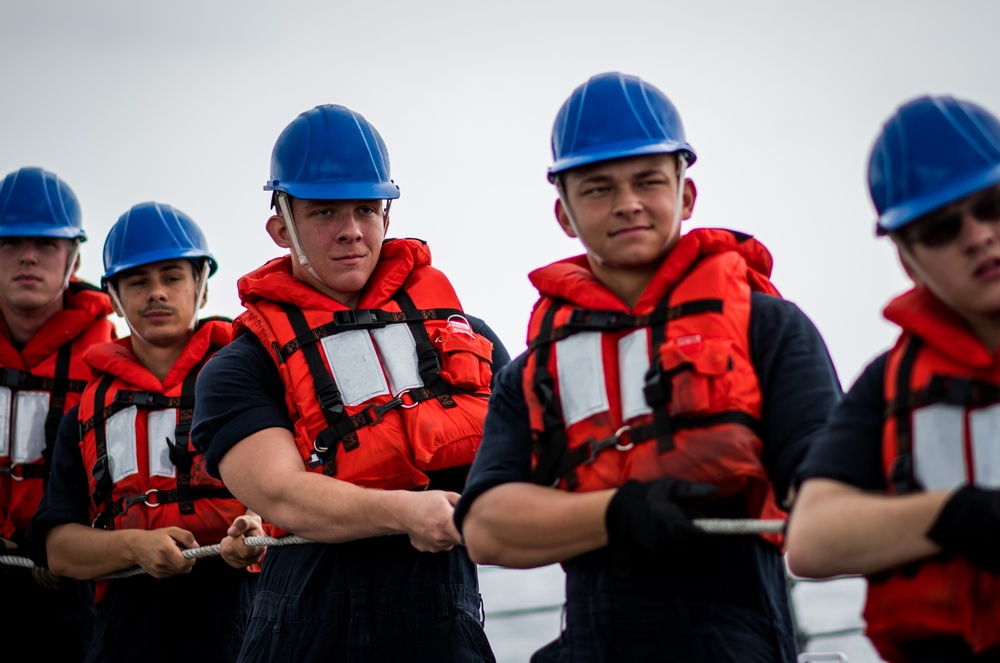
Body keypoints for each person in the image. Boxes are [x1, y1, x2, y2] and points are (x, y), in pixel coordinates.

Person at [455, 72, 842, 662]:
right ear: (565, 213)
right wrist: (620, 511)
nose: (628, 203)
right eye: (598, 188)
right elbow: (485, 529)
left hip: (741, 637)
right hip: (594, 639)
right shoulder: (533, 371)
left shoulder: (770, 328)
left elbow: (827, 496)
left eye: (648, 181)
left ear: (686, 195)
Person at [191, 103, 508, 662]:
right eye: (324, 212)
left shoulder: (467, 336)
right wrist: (407, 513)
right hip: (301, 623)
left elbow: (536, 457)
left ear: (387, 217)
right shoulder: (239, 366)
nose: (351, 231)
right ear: (280, 228)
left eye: (366, 208)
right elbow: (283, 493)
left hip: (442, 620)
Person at [786, 96, 1000, 663]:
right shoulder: (890, 384)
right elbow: (811, 541)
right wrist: (955, 516)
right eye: (941, 228)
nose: (978, 236)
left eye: (993, 206)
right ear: (908, 260)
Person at [26, 201, 252, 662]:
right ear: (113, 297)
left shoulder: (247, 382)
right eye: (137, 281)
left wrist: (257, 522)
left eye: (172, 277)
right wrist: (134, 544)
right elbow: (58, 547)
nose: (157, 293)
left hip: (244, 617)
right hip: (124, 632)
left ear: (201, 288)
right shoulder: (84, 414)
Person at [0, 166, 115, 660]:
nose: (28, 256)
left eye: (46, 244)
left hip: (69, 584)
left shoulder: (113, 355)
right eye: (11, 241)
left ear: (74, 258)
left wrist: (65, 540)